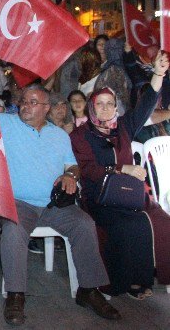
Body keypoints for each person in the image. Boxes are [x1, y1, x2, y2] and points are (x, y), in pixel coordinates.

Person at [0, 57, 120, 325]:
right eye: (23, 101)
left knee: (84, 224)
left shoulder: (58, 135)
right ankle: (15, 295)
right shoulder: (7, 124)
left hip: (54, 204)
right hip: (18, 203)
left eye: (33, 102)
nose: (25, 106)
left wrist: (70, 175)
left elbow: (72, 166)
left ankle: (89, 290)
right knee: (12, 230)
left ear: (47, 108)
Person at [70, 50, 170, 299]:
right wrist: (119, 169)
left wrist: (158, 74)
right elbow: (88, 170)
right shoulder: (81, 135)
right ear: (92, 106)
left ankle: (145, 279)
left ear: (116, 107)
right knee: (127, 226)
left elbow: (146, 105)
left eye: (109, 104)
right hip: (99, 198)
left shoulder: (124, 126)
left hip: (131, 196)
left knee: (160, 221)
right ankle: (125, 283)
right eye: (99, 104)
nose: (105, 109)